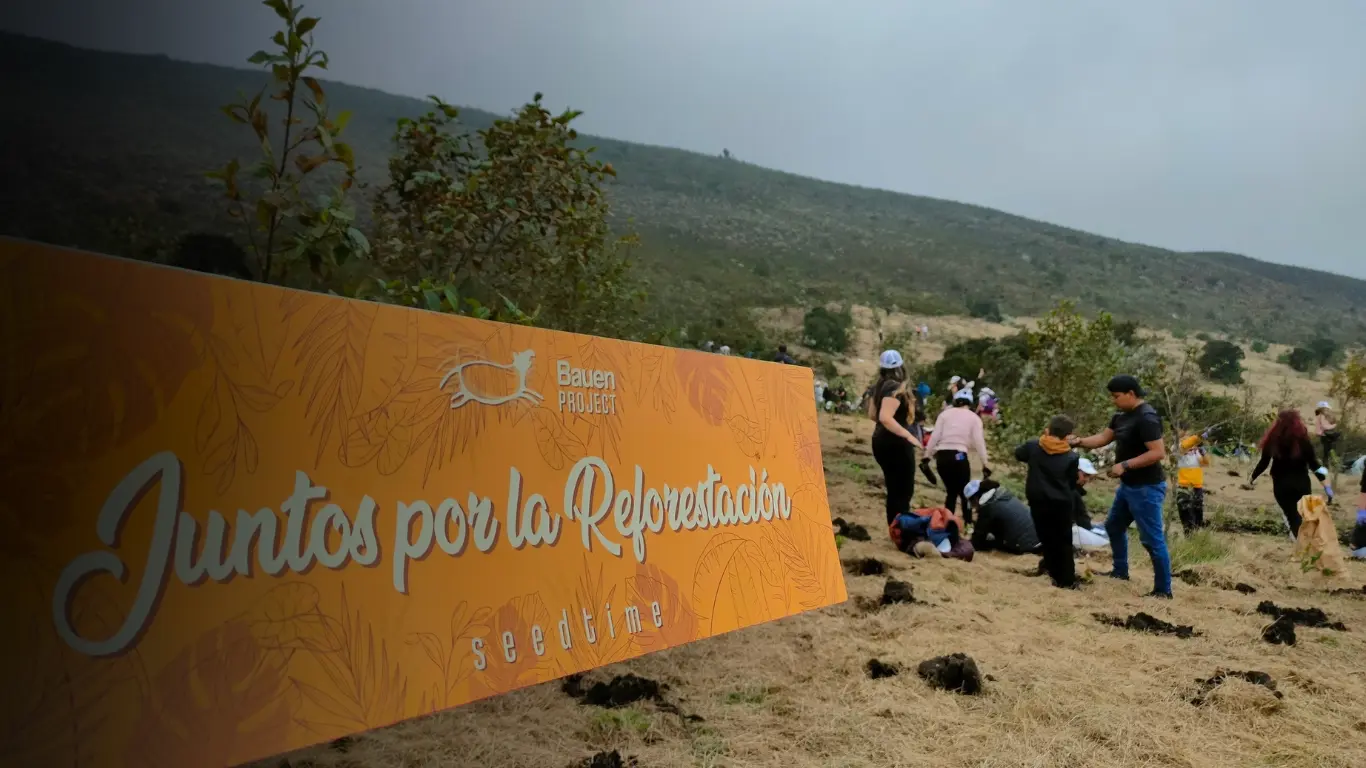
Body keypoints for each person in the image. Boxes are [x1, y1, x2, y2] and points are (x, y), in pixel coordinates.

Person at [1069, 375, 1172, 599]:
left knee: (1152, 539)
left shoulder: (1147, 418)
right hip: (1128, 487)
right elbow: (1103, 438)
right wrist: (1078, 441)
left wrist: (1125, 465)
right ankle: (1120, 571)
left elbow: (1157, 453)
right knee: (1114, 527)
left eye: (1116, 397)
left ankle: (1163, 590)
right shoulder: (1121, 417)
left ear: (1131, 394)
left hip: (1147, 488)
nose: (1114, 401)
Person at [1015, 415, 1081, 589]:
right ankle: (1066, 580)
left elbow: (1018, 453)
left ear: (1048, 429)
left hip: (1038, 500)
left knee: (1046, 537)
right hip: (1061, 503)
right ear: (1068, 435)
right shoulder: (1071, 457)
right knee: (1064, 541)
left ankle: (1051, 571)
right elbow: (1072, 481)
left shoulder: (1033, 446)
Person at [1246, 409, 1332, 538]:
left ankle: (1301, 545)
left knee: (1292, 517)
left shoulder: (1273, 440)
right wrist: (1326, 486)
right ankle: (1308, 545)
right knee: (1305, 516)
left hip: (1282, 486)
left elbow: (1264, 462)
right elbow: (1314, 464)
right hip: (1302, 484)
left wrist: (1252, 477)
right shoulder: (1303, 441)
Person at [868, 350, 922, 525]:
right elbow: (884, 417)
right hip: (896, 443)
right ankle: (902, 527)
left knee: (893, 488)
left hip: (880, 442)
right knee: (904, 489)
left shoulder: (878, 386)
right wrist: (909, 435)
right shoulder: (895, 387)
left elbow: (872, 415)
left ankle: (895, 526)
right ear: (901, 366)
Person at [925, 388, 992, 522]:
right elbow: (979, 442)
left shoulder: (945, 414)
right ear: (970, 403)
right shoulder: (974, 418)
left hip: (942, 457)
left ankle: (947, 523)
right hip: (959, 457)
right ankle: (968, 524)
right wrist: (985, 463)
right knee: (964, 493)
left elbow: (935, 436)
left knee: (951, 492)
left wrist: (927, 455)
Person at [966, 479, 1041, 555]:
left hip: (1027, 546)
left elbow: (976, 542)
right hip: (1040, 538)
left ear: (975, 499)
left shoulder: (988, 506)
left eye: (972, 504)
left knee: (988, 542)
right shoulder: (1003, 495)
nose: (973, 507)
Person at [1175, 429, 1211, 534]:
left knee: (1198, 513)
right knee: (1186, 514)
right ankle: (1189, 537)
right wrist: (1197, 438)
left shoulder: (1195, 453)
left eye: (1189, 438)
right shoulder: (1177, 450)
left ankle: (1197, 539)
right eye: (1185, 438)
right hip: (1184, 487)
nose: (1188, 441)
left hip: (1197, 487)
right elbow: (1184, 447)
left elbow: (1206, 463)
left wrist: (1203, 453)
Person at [1315, 402, 1341, 468]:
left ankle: (1330, 464)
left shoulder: (1321, 416)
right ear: (1322, 409)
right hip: (1325, 436)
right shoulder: (1322, 416)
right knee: (1327, 451)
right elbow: (1325, 427)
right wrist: (1334, 425)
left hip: (1325, 435)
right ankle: (1328, 465)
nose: (1327, 410)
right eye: (1326, 409)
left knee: (1329, 450)